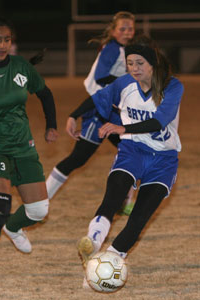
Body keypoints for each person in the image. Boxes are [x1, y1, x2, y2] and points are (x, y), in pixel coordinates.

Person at [66, 35, 184, 282]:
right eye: (130, 63)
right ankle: (93, 241)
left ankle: (105, 263)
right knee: (114, 195)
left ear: (153, 64)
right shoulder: (124, 83)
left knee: (138, 218)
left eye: (140, 63)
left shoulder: (172, 87)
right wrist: (73, 115)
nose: (134, 69)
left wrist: (124, 128)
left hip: (163, 160)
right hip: (132, 150)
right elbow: (98, 98)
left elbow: (158, 122)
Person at [0, 16, 58, 280]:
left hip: (22, 146)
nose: (2, 45)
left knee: (38, 211)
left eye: (7, 40)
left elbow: (44, 93)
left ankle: (12, 228)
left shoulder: (21, 66)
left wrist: (51, 126)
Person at [46, 11, 136, 215]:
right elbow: (101, 77)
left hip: (112, 111)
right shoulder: (112, 49)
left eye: (130, 28)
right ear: (113, 31)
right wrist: (127, 83)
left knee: (132, 150)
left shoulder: (124, 49)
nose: (127, 32)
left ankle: (127, 200)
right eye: (122, 28)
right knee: (77, 159)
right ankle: (40, 201)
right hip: (98, 111)